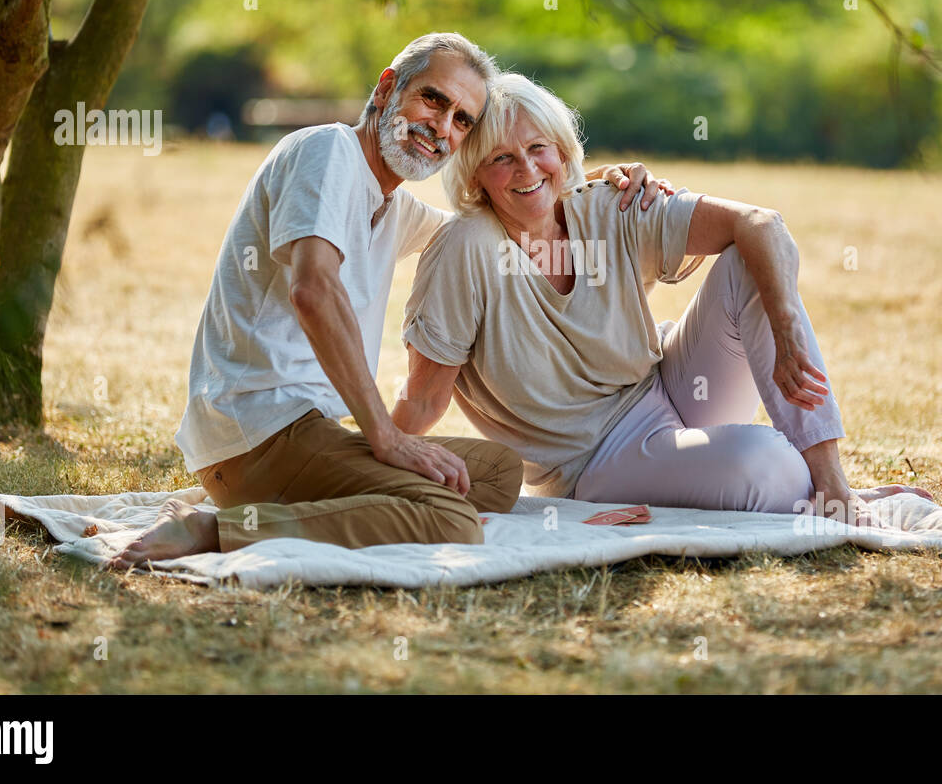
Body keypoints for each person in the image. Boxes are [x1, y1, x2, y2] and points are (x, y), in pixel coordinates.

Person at [109, 36, 667, 569]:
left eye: (462, 120)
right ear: (387, 88)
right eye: (433, 99)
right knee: (450, 519)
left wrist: (570, 181)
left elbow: (494, 226)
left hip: (306, 432)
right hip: (256, 434)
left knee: (496, 471)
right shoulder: (326, 151)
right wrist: (386, 437)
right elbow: (313, 290)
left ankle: (299, 508)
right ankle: (214, 530)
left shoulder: (392, 207)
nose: (442, 128)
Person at [393, 72, 933, 525]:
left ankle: (835, 488)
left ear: (563, 151)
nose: (528, 170)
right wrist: (369, 455)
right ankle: (810, 488)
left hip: (673, 390)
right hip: (594, 466)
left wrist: (787, 326)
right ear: (475, 175)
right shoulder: (465, 250)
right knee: (769, 462)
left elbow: (761, 223)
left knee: (751, 257)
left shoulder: (609, 204)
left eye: (539, 149)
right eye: (502, 159)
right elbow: (423, 402)